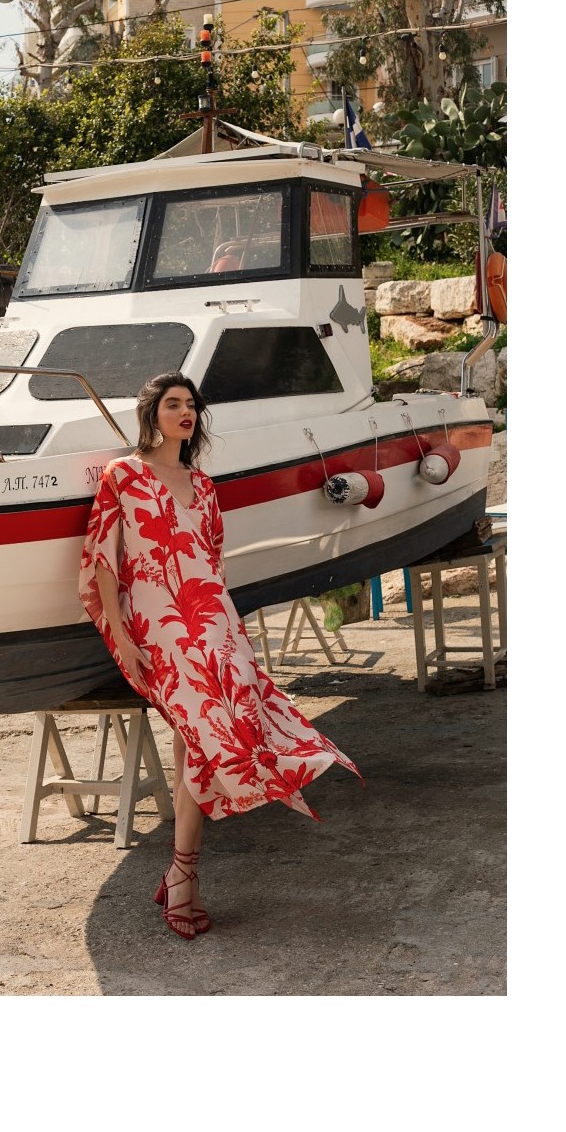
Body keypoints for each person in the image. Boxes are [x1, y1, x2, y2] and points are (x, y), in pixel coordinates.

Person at [79, 371, 361, 941]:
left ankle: (182, 874)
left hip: (214, 625)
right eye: (173, 404)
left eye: (191, 405)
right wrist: (123, 636)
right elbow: (102, 559)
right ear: (152, 413)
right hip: (158, 630)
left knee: (208, 739)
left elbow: (212, 564)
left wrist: (231, 633)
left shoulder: (203, 484)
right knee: (205, 735)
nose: (185, 412)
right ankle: (182, 877)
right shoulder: (124, 476)